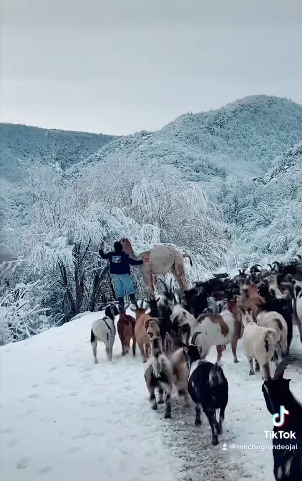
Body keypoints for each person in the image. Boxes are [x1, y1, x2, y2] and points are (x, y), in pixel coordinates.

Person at [99, 240, 144, 313]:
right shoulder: (124, 256)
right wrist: (142, 261)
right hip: (124, 275)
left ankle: (121, 306)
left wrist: (100, 250)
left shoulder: (111, 255)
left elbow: (103, 256)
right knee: (130, 289)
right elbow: (133, 262)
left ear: (115, 248)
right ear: (121, 248)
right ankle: (134, 304)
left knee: (119, 291)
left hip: (115, 276)